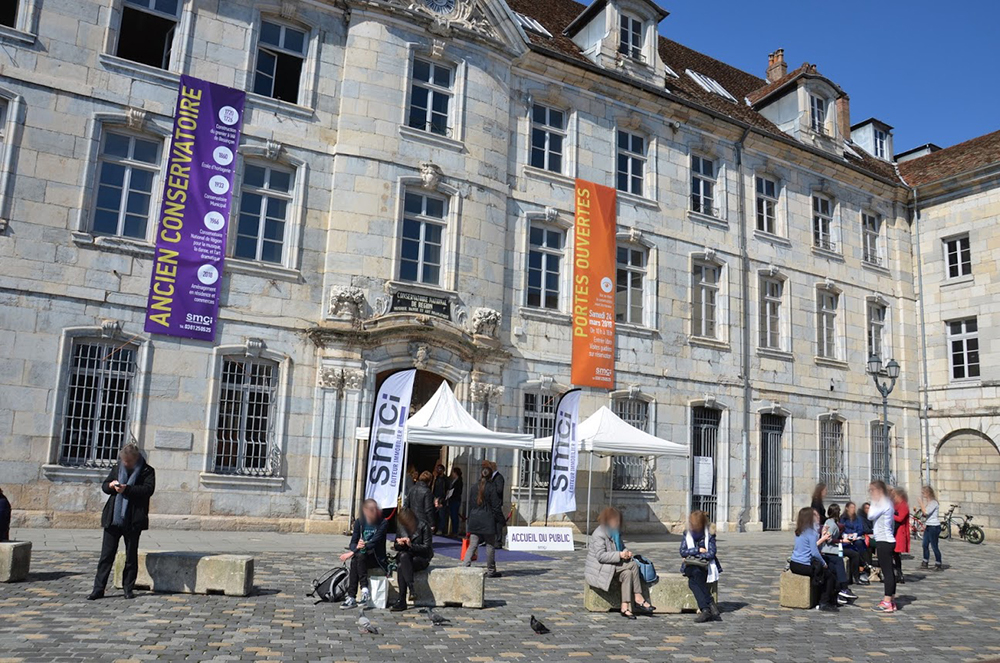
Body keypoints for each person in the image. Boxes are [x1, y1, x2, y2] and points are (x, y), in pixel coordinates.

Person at [88, 443, 156, 601]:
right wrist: (111, 486)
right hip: (114, 517)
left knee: (131, 556)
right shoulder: (117, 468)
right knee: (106, 555)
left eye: (128, 461)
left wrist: (128, 489)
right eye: (124, 461)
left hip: (133, 519)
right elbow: (105, 486)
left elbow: (148, 490)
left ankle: (128, 588)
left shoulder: (147, 471)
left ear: (135, 459)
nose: (125, 464)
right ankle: (98, 589)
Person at [585, 507, 655, 620]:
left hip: (612, 566)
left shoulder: (615, 533)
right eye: (615, 520)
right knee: (633, 565)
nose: (617, 523)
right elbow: (601, 556)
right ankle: (638, 597)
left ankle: (625, 606)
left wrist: (626, 552)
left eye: (618, 520)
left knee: (628, 573)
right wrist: (620, 555)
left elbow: (621, 547)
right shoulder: (599, 534)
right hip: (599, 569)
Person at [339, 499, 388, 609]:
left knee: (357, 557)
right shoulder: (359, 522)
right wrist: (356, 547)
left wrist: (353, 551)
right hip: (361, 555)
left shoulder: (383, 523)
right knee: (357, 558)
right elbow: (353, 542)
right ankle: (359, 593)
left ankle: (355, 595)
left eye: (375, 509)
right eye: (371, 510)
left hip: (376, 557)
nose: (374, 512)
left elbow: (374, 542)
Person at [789, 506, 837, 611]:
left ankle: (819, 599)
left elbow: (809, 548)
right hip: (804, 565)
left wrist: (822, 536)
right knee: (829, 576)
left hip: (794, 564)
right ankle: (824, 602)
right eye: (814, 515)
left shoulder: (800, 530)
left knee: (822, 573)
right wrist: (824, 563)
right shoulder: (811, 532)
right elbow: (814, 552)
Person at [679, 510, 722, 623]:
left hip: (705, 566)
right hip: (690, 565)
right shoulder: (687, 534)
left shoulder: (710, 534)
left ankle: (705, 609)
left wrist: (693, 553)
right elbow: (683, 551)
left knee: (693, 581)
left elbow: (711, 553)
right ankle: (710, 603)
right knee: (695, 572)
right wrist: (698, 550)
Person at [391, 508, 433, 611]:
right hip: (405, 558)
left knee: (402, 564)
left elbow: (426, 548)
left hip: (420, 558)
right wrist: (399, 543)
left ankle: (402, 600)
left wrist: (411, 545)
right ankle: (411, 588)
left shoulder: (423, 526)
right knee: (403, 560)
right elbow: (395, 546)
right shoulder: (401, 527)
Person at [463, 467, 502, 578]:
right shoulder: (491, 487)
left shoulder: (474, 487)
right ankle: (491, 570)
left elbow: (470, 504)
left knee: (473, 544)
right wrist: (501, 520)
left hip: (475, 518)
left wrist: (469, 518)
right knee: (490, 545)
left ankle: (465, 566)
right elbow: (496, 506)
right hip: (487, 519)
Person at [867, 480, 898, 613]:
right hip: (886, 540)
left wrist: (874, 501)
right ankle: (891, 599)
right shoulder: (886, 503)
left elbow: (870, 515)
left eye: (872, 490)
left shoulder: (883, 503)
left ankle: (887, 602)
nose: (870, 493)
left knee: (887, 572)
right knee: (889, 571)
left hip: (884, 541)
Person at [821, 504, 857, 604]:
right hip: (830, 551)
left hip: (833, 550)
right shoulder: (831, 524)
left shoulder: (829, 522)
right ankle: (844, 588)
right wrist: (842, 541)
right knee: (839, 563)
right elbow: (829, 539)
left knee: (835, 571)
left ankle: (838, 592)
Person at [839, 501, 869, 585]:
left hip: (856, 538)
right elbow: (842, 530)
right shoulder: (843, 518)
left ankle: (862, 564)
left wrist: (855, 534)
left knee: (859, 544)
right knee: (854, 552)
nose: (853, 509)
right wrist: (847, 535)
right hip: (845, 540)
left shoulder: (858, 518)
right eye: (851, 507)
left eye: (854, 508)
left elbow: (860, 529)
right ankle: (863, 564)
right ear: (847, 508)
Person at [919, 485, 942, 571]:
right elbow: (924, 514)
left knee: (934, 546)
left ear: (928, 493)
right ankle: (925, 561)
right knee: (924, 544)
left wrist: (921, 503)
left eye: (923, 493)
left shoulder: (934, 502)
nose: (923, 495)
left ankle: (938, 563)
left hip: (934, 526)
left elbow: (926, 512)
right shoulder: (928, 503)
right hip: (928, 526)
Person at [486, 460, 507, 549]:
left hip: (496, 503)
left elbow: (499, 490)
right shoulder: (491, 478)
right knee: (493, 522)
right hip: (491, 503)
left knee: (498, 522)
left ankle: (498, 541)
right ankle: (492, 539)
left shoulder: (499, 478)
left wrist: (491, 486)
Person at [892, 488, 910, 584]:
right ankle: (896, 573)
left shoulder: (903, 505)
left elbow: (900, 518)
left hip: (900, 532)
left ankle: (899, 574)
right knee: (894, 554)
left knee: (896, 554)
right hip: (895, 532)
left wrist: (890, 514)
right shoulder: (896, 504)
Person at [447, 467, 463, 537]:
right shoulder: (454, 480)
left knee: (454, 515)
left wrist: (451, 494)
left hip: (455, 500)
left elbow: (458, 491)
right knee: (453, 515)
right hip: (452, 499)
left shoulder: (459, 481)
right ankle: (453, 530)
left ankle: (455, 531)